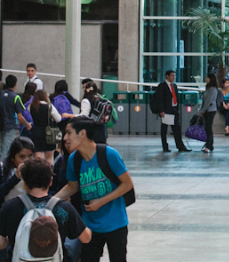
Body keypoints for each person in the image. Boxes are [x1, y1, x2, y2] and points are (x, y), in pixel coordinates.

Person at [56, 117, 134, 262]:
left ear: (82, 134)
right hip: (90, 226)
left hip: (115, 224)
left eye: (69, 133)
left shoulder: (109, 154)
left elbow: (127, 184)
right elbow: (72, 187)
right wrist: (51, 202)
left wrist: (101, 202)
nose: (65, 138)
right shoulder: (74, 159)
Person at [0, 157, 91, 262]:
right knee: (77, 236)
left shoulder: (9, 207)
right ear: (50, 181)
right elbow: (86, 238)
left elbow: (1, 244)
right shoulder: (64, 207)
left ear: (24, 183)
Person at [152, 70, 189, 153]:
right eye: (172, 75)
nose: (173, 77)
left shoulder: (174, 86)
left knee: (177, 128)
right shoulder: (162, 86)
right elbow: (159, 99)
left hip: (174, 109)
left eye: (174, 75)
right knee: (164, 129)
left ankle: (180, 146)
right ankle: (165, 146)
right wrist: (161, 110)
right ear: (167, 76)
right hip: (166, 111)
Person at [1, 76, 32, 159]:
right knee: (6, 149)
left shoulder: (0, 94)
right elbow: (20, 117)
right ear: (15, 84)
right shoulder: (15, 97)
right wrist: (27, 125)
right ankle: (3, 169)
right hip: (10, 126)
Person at [28, 90, 63, 164]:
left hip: (36, 132)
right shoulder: (49, 106)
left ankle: (39, 172)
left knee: (38, 156)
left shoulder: (31, 106)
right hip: (48, 133)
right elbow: (58, 119)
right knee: (49, 156)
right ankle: (49, 173)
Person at [0, 137, 34, 205]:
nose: (27, 160)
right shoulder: (3, 169)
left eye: (30, 156)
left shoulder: (36, 169)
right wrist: (15, 178)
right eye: (22, 157)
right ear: (13, 158)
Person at [199, 73, 219, 153]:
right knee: (207, 128)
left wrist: (202, 111)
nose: (206, 78)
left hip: (210, 110)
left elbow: (208, 101)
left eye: (207, 77)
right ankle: (210, 145)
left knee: (208, 128)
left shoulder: (213, 89)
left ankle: (208, 146)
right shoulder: (207, 88)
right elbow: (204, 101)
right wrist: (201, 109)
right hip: (206, 110)